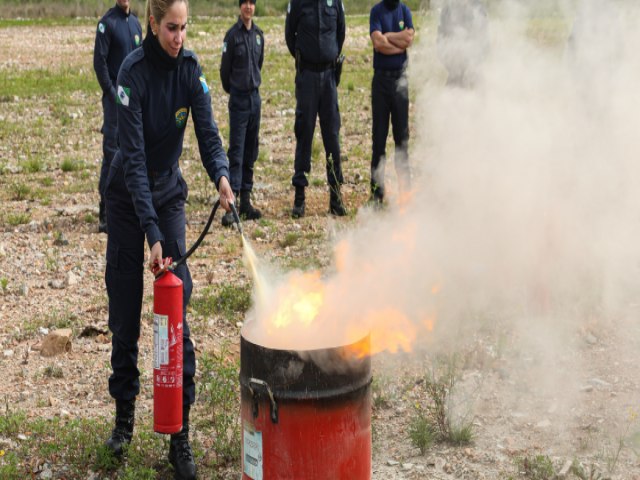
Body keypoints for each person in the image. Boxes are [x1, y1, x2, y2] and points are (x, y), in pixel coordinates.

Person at [103, 0, 234, 478]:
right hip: (126, 198)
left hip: (168, 195)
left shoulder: (192, 69)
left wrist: (221, 175)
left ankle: (180, 436)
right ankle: (123, 419)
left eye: (184, 28)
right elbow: (133, 162)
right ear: (152, 24)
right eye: (171, 28)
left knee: (176, 308)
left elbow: (209, 133)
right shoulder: (131, 73)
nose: (179, 37)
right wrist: (151, 235)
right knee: (125, 307)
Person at [285, 0, 347, 218]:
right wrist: (307, 57)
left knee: (332, 137)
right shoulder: (298, 2)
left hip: (329, 77)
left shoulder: (335, 2)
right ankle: (300, 197)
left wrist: (328, 56)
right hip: (307, 76)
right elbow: (289, 36)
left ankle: (336, 197)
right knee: (304, 135)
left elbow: (341, 33)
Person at [94, 0, 143, 233]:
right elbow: (99, 63)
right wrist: (112, 94)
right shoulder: (107, 23)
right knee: (111, 153)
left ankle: (130, 205)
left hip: (133, 100)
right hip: (115, 100)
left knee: (132, 150)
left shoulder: (135, 24)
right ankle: (105, 208)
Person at [219, 0, 264, 227]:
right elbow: (224, 72)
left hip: (255, 99)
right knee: (236, 152)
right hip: (238, 99)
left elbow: (260, 63)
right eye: (244, 2)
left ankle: (246, 201)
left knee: (251, 151)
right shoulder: (231, 36)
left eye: (251, 3)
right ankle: (231, 206)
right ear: (240, 7)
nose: (248, 7)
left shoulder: (258, 35)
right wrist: (236, 90)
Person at [369, 0, 414, 205]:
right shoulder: (376, 12)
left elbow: (409, 38)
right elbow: (377, 42)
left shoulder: (404, 10)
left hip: (400, 81)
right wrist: (398, 45)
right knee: (379, 139)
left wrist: (389, 38)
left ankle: (405, 191)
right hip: (381, 82)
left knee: (401, 139)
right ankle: (377, 193)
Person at [437, 0, 489, 88]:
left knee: (477, 95)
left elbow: (484, 42)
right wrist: (450, 62)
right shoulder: (447, 10)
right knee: (451, 96)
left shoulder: (479, 9)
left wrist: (474, 62)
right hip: (454, 70)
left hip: (474, 70)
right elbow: (441, 39)